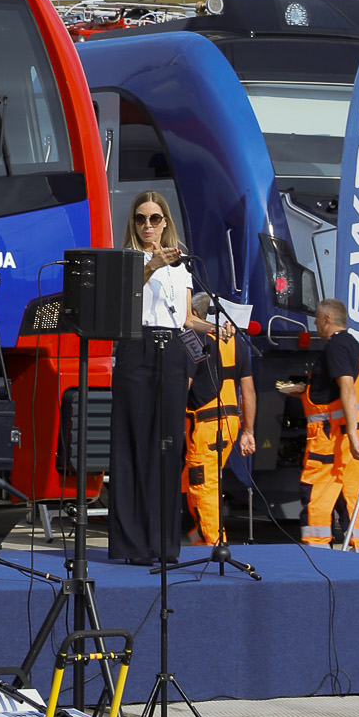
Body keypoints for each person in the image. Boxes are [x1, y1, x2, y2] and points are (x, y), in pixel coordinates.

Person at [108, 190, 195, 566]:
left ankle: (163, 544)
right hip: (137, 345)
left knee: (168, 445)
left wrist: (218, 327)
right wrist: (150, 266)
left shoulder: (181, 265)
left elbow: (187, 318)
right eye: (141, 219)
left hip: (173, 349)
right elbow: (118, 302)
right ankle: (131, 543)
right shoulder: (128, 260)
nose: (148, 226)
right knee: (133, 443)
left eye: (154, 219)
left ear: (165, 222)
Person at [283, 299, 359, 549]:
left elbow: (346, 387)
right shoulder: (354, 345)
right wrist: (306, 390)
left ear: (326, 320)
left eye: (317, 321)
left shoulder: (335, 346)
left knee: (316, 494)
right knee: (352, 494)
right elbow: (339, 390)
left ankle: (318, 554)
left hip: (332, 436)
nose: (316, 327)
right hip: (348, 430)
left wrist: (351, 435)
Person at [183, 292, 256, 544]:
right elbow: (248, 390)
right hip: (230, 424)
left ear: (198, 316)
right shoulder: (236, 343)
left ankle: (214, 545)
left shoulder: (195, 339)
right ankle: (198, 540)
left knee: (204, 486)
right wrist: (248, 432)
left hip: (204, 427)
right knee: (198, 483)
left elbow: (185, 384)